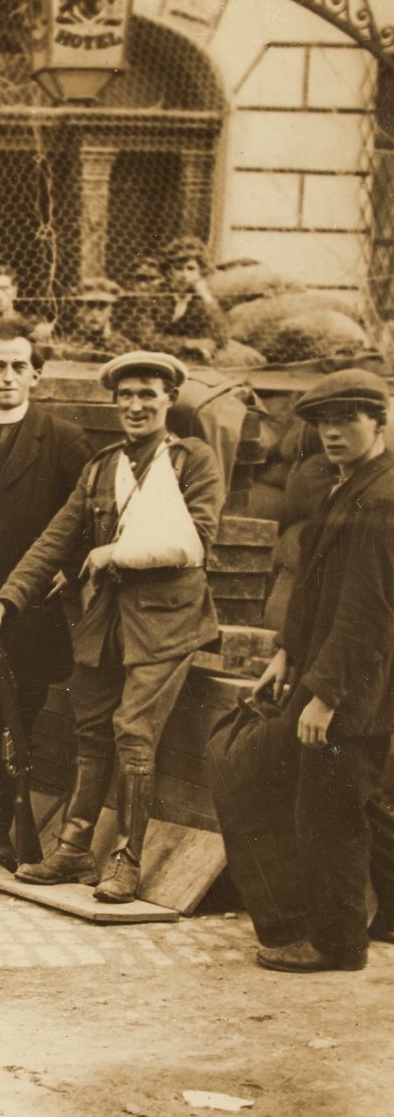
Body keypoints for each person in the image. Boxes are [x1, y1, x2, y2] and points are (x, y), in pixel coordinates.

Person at [0, 350, 223, 903]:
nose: (137, 405)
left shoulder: (193, 461)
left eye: (149, 394)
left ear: (169, 399)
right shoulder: (102, 466)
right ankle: (73, 849)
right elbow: (54, 539)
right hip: (105, 622)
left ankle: (126, 860)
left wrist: (113, 554)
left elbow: (195, 543)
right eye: (127, 395)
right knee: (90, 730)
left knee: (133, 735)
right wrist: (7, 600)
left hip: (167, 624)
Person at [237, 371, 394, 971]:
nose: (333, 432)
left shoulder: (380, 499)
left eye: (348, 419)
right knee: (348, 804)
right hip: (336, 674)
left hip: (355, 686)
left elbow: (367, 613)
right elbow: (311, 591)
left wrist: (325, 695)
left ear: (377, 423)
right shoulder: (346, 487)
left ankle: (336, 943)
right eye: (324, 422)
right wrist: (285, 652)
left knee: (330, 812)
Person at [0, 323, 92, 869]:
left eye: (18, 366)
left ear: (36, 374)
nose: (8, 376)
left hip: (29, 606)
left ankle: (3, 829)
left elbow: (93, 513)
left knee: (18, 717)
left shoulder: (62, 438)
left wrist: (70, 570)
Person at [146, 236, 226, 360]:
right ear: (168, 272)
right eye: (178, 268)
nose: (184, 275)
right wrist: (188, 343)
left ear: (201, 273)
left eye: (191, 269)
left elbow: (221, 338)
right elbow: (145, 337)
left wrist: (207, 298)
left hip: (188, 358)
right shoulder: (152, 295)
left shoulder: (201, 300)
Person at [54, 278, 138, 362]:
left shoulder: (126, 348)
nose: (95, 313)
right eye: (90, 305)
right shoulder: (65, 348)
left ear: (111, 311)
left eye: (102, 306)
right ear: (79, 309)